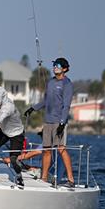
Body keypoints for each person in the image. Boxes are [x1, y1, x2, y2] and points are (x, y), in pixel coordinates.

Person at [25, 57, 76, 187]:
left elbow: (66, 106)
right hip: (48, 121)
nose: (55, 67)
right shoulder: (50, 82)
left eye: (58, 65)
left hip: (59, 122)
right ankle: (44, 178)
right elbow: (46, 101)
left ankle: (71, 180)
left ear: (64, 69)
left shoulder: (67, 84)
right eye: (54, 65)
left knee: (61, 149)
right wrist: (33, 108)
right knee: (47, 150)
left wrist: (62, 123)